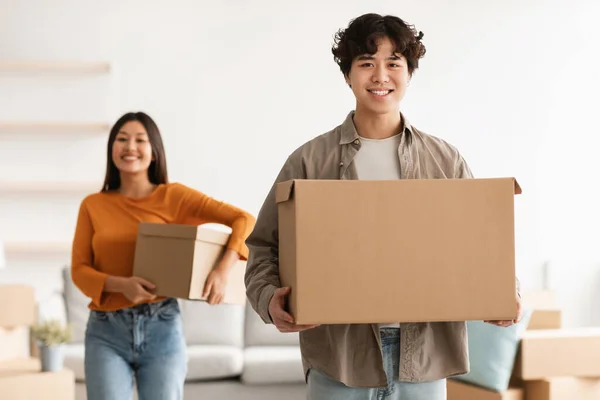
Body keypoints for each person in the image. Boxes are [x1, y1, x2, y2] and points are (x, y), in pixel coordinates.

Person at [244, 13, 522, 400]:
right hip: (339, 359)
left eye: (393, 63)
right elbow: (261, 247)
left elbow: (483, 244)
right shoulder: (308, 161)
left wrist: (505, 292)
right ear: (347, 75)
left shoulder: (445, 160)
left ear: (409, 73)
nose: (380, 76)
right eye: (366, 63)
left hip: (425, 357)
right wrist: (268, 299)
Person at [71, 111, 255, 400]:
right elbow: (79, 270)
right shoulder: (92, 205)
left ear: (154, 152)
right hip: (106, 331)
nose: (130, 147)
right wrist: (123, 285)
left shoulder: (175, 197)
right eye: (121, 139)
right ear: (112, 149)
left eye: (140, 140)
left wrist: (223, 270)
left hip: (162, 327)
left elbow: (243, 219)